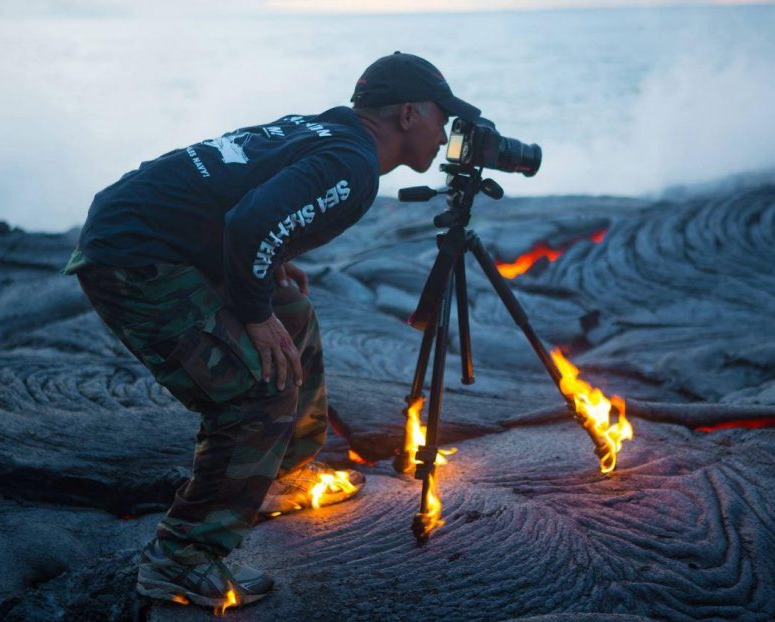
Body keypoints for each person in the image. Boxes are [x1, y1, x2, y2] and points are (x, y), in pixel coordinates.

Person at [63, 51, 480, 609]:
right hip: (134, 258)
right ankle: (181, 559)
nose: (446, 129)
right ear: (408, 114)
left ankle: (280, 473)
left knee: (293, 312)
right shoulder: (352, 164)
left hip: (150, 230)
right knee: (257, 390)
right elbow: (250, 221)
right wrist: (254, 315)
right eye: (441, 115)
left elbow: (245, 196)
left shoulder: (327, 127)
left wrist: (267, 264)